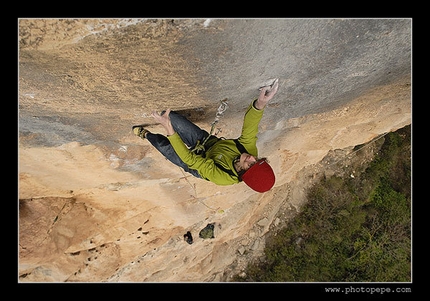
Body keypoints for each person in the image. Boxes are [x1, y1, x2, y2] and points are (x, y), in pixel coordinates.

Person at [132, 79, 279, 193]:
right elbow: (250, 129)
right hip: (207, 143)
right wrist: (260, 103)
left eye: (250, 163)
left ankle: (145, 135)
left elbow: (190, 160)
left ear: (241, 171)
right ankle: (167, 124)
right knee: (173, 117)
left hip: (196, 165)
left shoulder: (222, 177)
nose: (252, 157)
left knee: (164, 146)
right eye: (257, 160)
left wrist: (169, 128)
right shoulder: (249, 152)